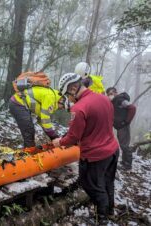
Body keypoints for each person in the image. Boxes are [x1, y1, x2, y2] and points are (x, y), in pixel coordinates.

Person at [52, 73, 119, 224]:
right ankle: (110, 211)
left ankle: (102, 219)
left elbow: (73, 138)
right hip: (113, 149)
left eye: (67, 95)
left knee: (92, 186)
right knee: (108, 181)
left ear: (74, 88)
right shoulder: (103, 98)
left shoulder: (79, 107)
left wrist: (59, 142)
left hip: (96, 155)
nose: (67, 99)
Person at [9, 84, 61, 152]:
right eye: (62, 107)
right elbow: (45, 119)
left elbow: (41, 120)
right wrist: (54, 136)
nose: (61, 108)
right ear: (62, 101)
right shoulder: (51, 97)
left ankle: (28, 151)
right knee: (29, 131)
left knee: (29, 130)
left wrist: (52, 136)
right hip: (18, 103)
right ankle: (29, 154)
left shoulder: (52, 98)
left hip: (21, 104)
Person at [106, 87, 136, 170]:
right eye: (108, 94)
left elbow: (132, 108)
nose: (110, 96)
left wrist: (126, 121)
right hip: (119, 126)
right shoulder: (114, 101)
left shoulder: (120, 99)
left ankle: (127, 165)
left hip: (123, 126)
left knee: (125, 145)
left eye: (111, 93)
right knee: (123, 145)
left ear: (116, 92)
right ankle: (124, 162)